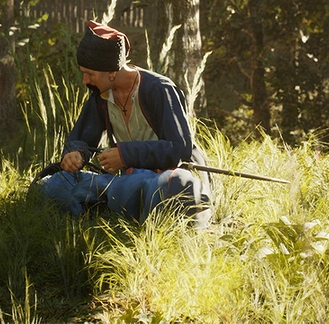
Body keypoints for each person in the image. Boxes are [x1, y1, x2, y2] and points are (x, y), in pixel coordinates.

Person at [36, 20, 213, 227]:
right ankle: (116, 204)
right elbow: (82, 136)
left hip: (168, 175)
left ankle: (111, 204)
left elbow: (179, 148)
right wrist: (75, 154)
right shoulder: (100, 95)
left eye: (90, 74)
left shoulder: (160, 89)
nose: (84, 80)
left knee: (166, 186)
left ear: (111, 72)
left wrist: (126, 154)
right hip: (128, 179)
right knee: (54, 184)